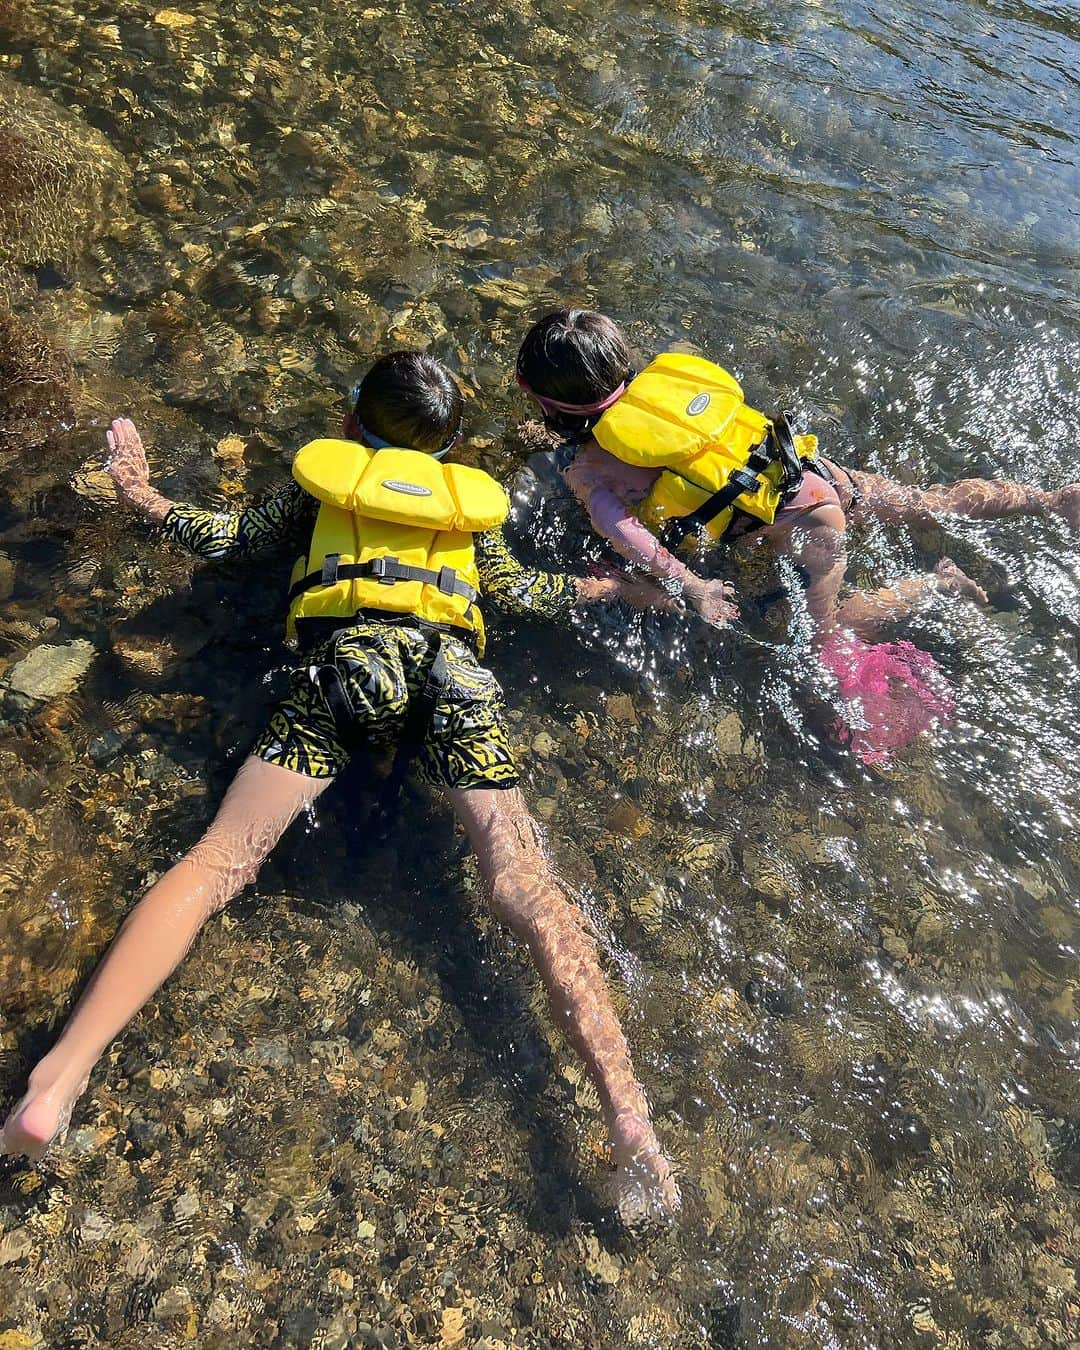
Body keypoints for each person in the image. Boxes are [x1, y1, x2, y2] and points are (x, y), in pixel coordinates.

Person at [0, 351, 679, 1226]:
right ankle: (628, 1116)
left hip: (343, 668)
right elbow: (523, 593)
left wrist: (145, 497)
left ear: (352, 424)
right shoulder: (471, 515)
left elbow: (228, 540)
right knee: (521, 882)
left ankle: (60, 1076)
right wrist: (611, 585)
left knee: (217, 863)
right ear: (455, 447)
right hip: (453, 680)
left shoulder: (322, 491)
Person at [514, 309, 1080, 761]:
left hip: (802, 529)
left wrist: (691, 584)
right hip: (815, 476)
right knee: (926, 502)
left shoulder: (590, 469)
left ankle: (940, 586)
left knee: (825, 638)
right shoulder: (678, 382)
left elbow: (627, 534)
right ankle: (1052, 499)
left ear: (531, 392)